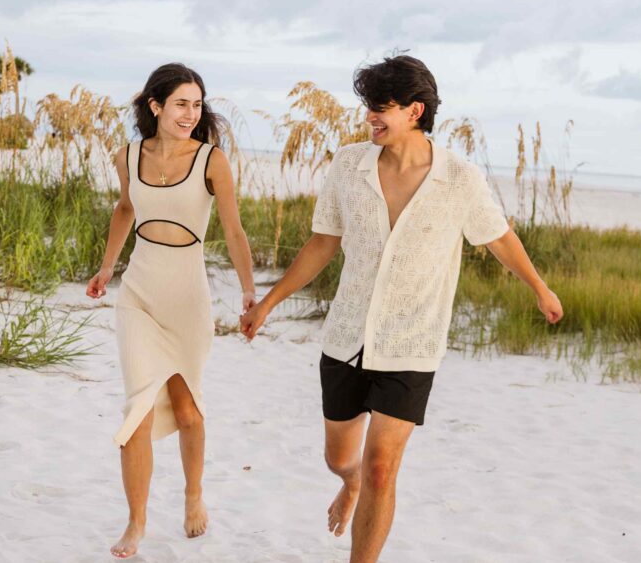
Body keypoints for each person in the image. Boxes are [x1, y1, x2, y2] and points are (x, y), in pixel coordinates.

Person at [240, 55, 563, 563]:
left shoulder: (460, 178)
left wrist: (540, 288)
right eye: (368, 106)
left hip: (412, 344)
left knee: (380, 469)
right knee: (341, 460)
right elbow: (323, 243)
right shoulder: (348, 165)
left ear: (415, 111)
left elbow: (498, 238)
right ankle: (347, 485)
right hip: (347, 337)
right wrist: (268, 303)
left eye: (381, 108)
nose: (370, 116)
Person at [86, 63, 256, 559]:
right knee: (137, 411)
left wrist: (249, 292)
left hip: (188, 297)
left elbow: (234, 229)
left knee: (187, 410)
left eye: (197, 105)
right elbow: (124, 209)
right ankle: (136, 523)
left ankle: (193, 494)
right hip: (138, 292)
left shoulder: (211, 161)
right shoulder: (128, 155)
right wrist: (105, 270)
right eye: (181, 103)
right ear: (155, 105)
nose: (190, 113)